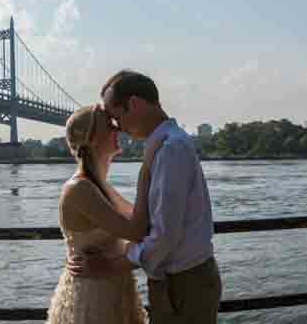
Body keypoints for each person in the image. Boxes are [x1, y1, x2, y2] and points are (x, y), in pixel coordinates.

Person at [69, 70, 221, 324]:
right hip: (180, 282)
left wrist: (112, 266)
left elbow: (164, 235)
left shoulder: (170, 149)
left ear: (135, 104)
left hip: (183, 284)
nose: (117, 126)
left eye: (116, 116)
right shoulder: (164, 146)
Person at [46, 104, 147, 323]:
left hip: (111, 292)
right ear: (91, 139)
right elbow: (139, 231)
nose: (118, 129)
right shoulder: (80, 189)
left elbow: (144, 221)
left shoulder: (98, 186)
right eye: (109, 125)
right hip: (94, 298)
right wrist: (148, 172)